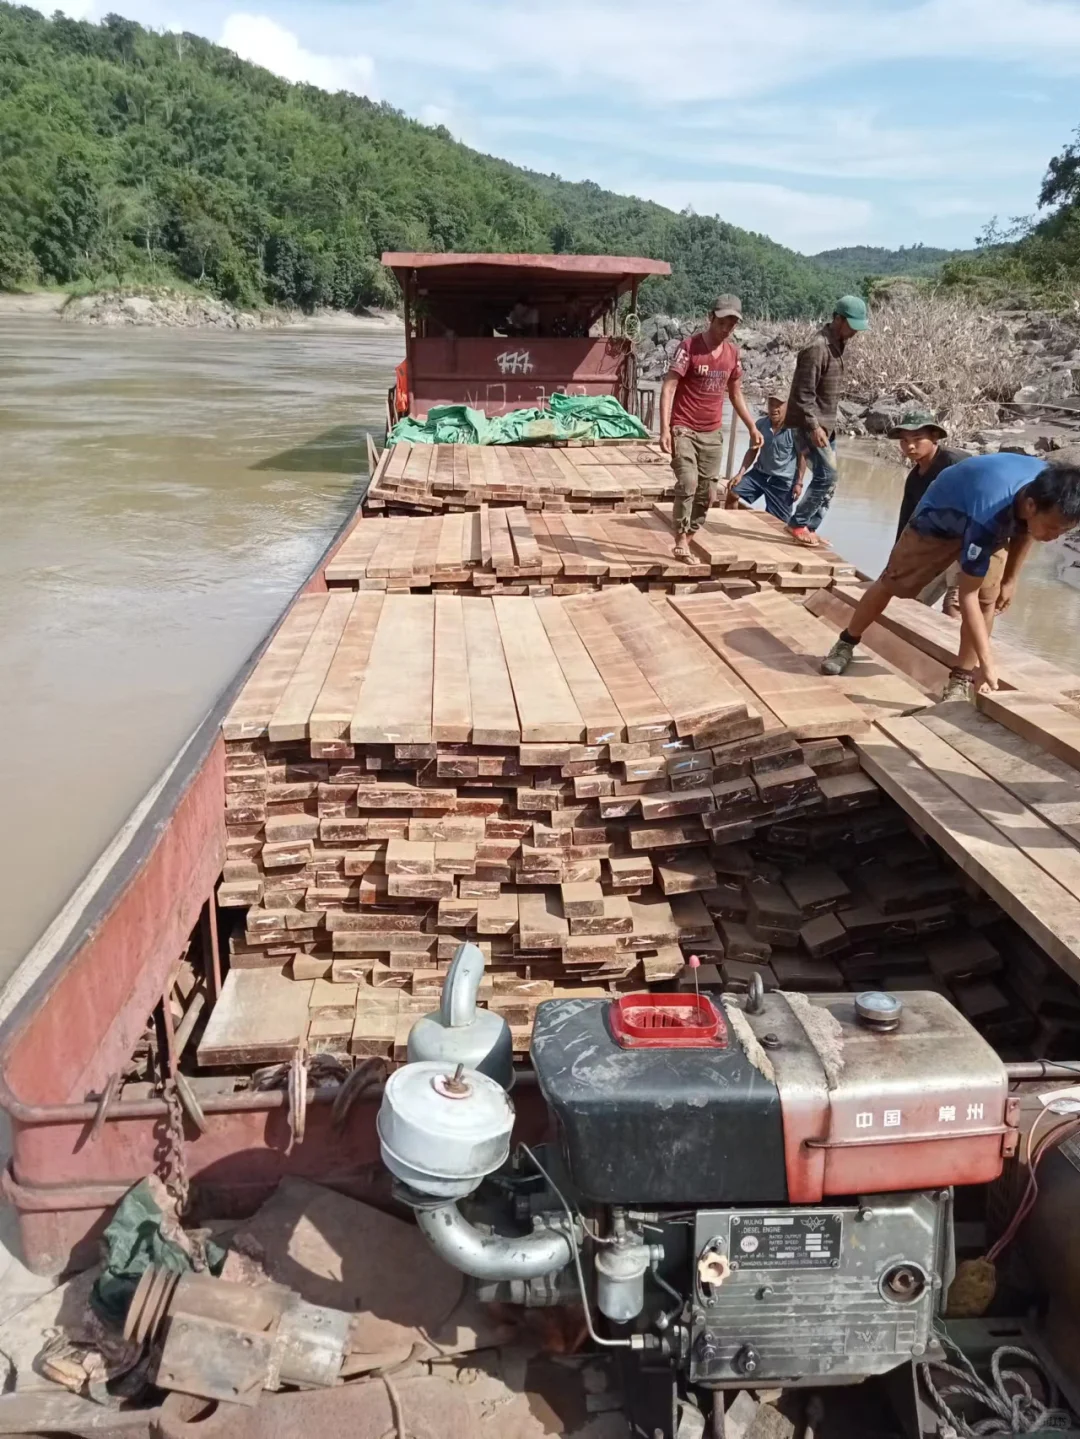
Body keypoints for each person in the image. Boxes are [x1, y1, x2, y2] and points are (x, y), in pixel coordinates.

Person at [820, 456, 1080, 700]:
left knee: (987, 600)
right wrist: (988, 663)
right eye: (1053, 528)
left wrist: (1010, 579)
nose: (1055, 537)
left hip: (995, 512)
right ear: (1031, 505)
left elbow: (1026, 529)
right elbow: (966, 595)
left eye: (1063, 531)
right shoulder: (990, 515)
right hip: (943, 516)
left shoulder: (1053, 489)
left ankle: (960, 680)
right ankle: (846, 642)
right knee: (893, 582)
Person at [660, 296, 763, 560]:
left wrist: (752, 427)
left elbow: (736, 394)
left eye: (731, 325)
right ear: (710, 318)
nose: (725, 329)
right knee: (688, 481)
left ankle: (689, 536)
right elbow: (669, 387)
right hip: (684, 427)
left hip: (712, 433)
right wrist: (664, 430)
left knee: (708, 494)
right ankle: (680, 537)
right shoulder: (689, 348)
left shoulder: (732, 354)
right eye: (721, 323)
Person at [785, 295, 870, 547]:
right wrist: (813, 426)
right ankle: (798, 523)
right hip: (810, 424)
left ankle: (809, 527)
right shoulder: (817, 348)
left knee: (830, 481)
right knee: (827, 477)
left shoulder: (838, 344)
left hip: (826, 425)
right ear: (838, 319)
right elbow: (802, 394)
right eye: (852, 326)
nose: (855, 332)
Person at [890, 409, 967, 613]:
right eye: (904, 441)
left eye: (917, 439)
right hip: (939, 545)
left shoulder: (954, 464)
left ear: (934, 437)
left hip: (972, 541)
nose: (910, 446)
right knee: (912, 600)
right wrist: (897, 560)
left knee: (955, 605)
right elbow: (908, 520)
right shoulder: (915, 477)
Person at [728, 389, 806, 523]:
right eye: (771, 404)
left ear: (788, 406)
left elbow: (802, 457)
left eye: (778, 405)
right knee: (733, 492)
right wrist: (740, 473)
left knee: (779, 522)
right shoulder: (760, 425)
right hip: (760, 475)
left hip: (782, 481)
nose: (774, 409)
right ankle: (730, 524)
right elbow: (752, 450)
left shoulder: (795, 430)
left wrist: (799, 483)